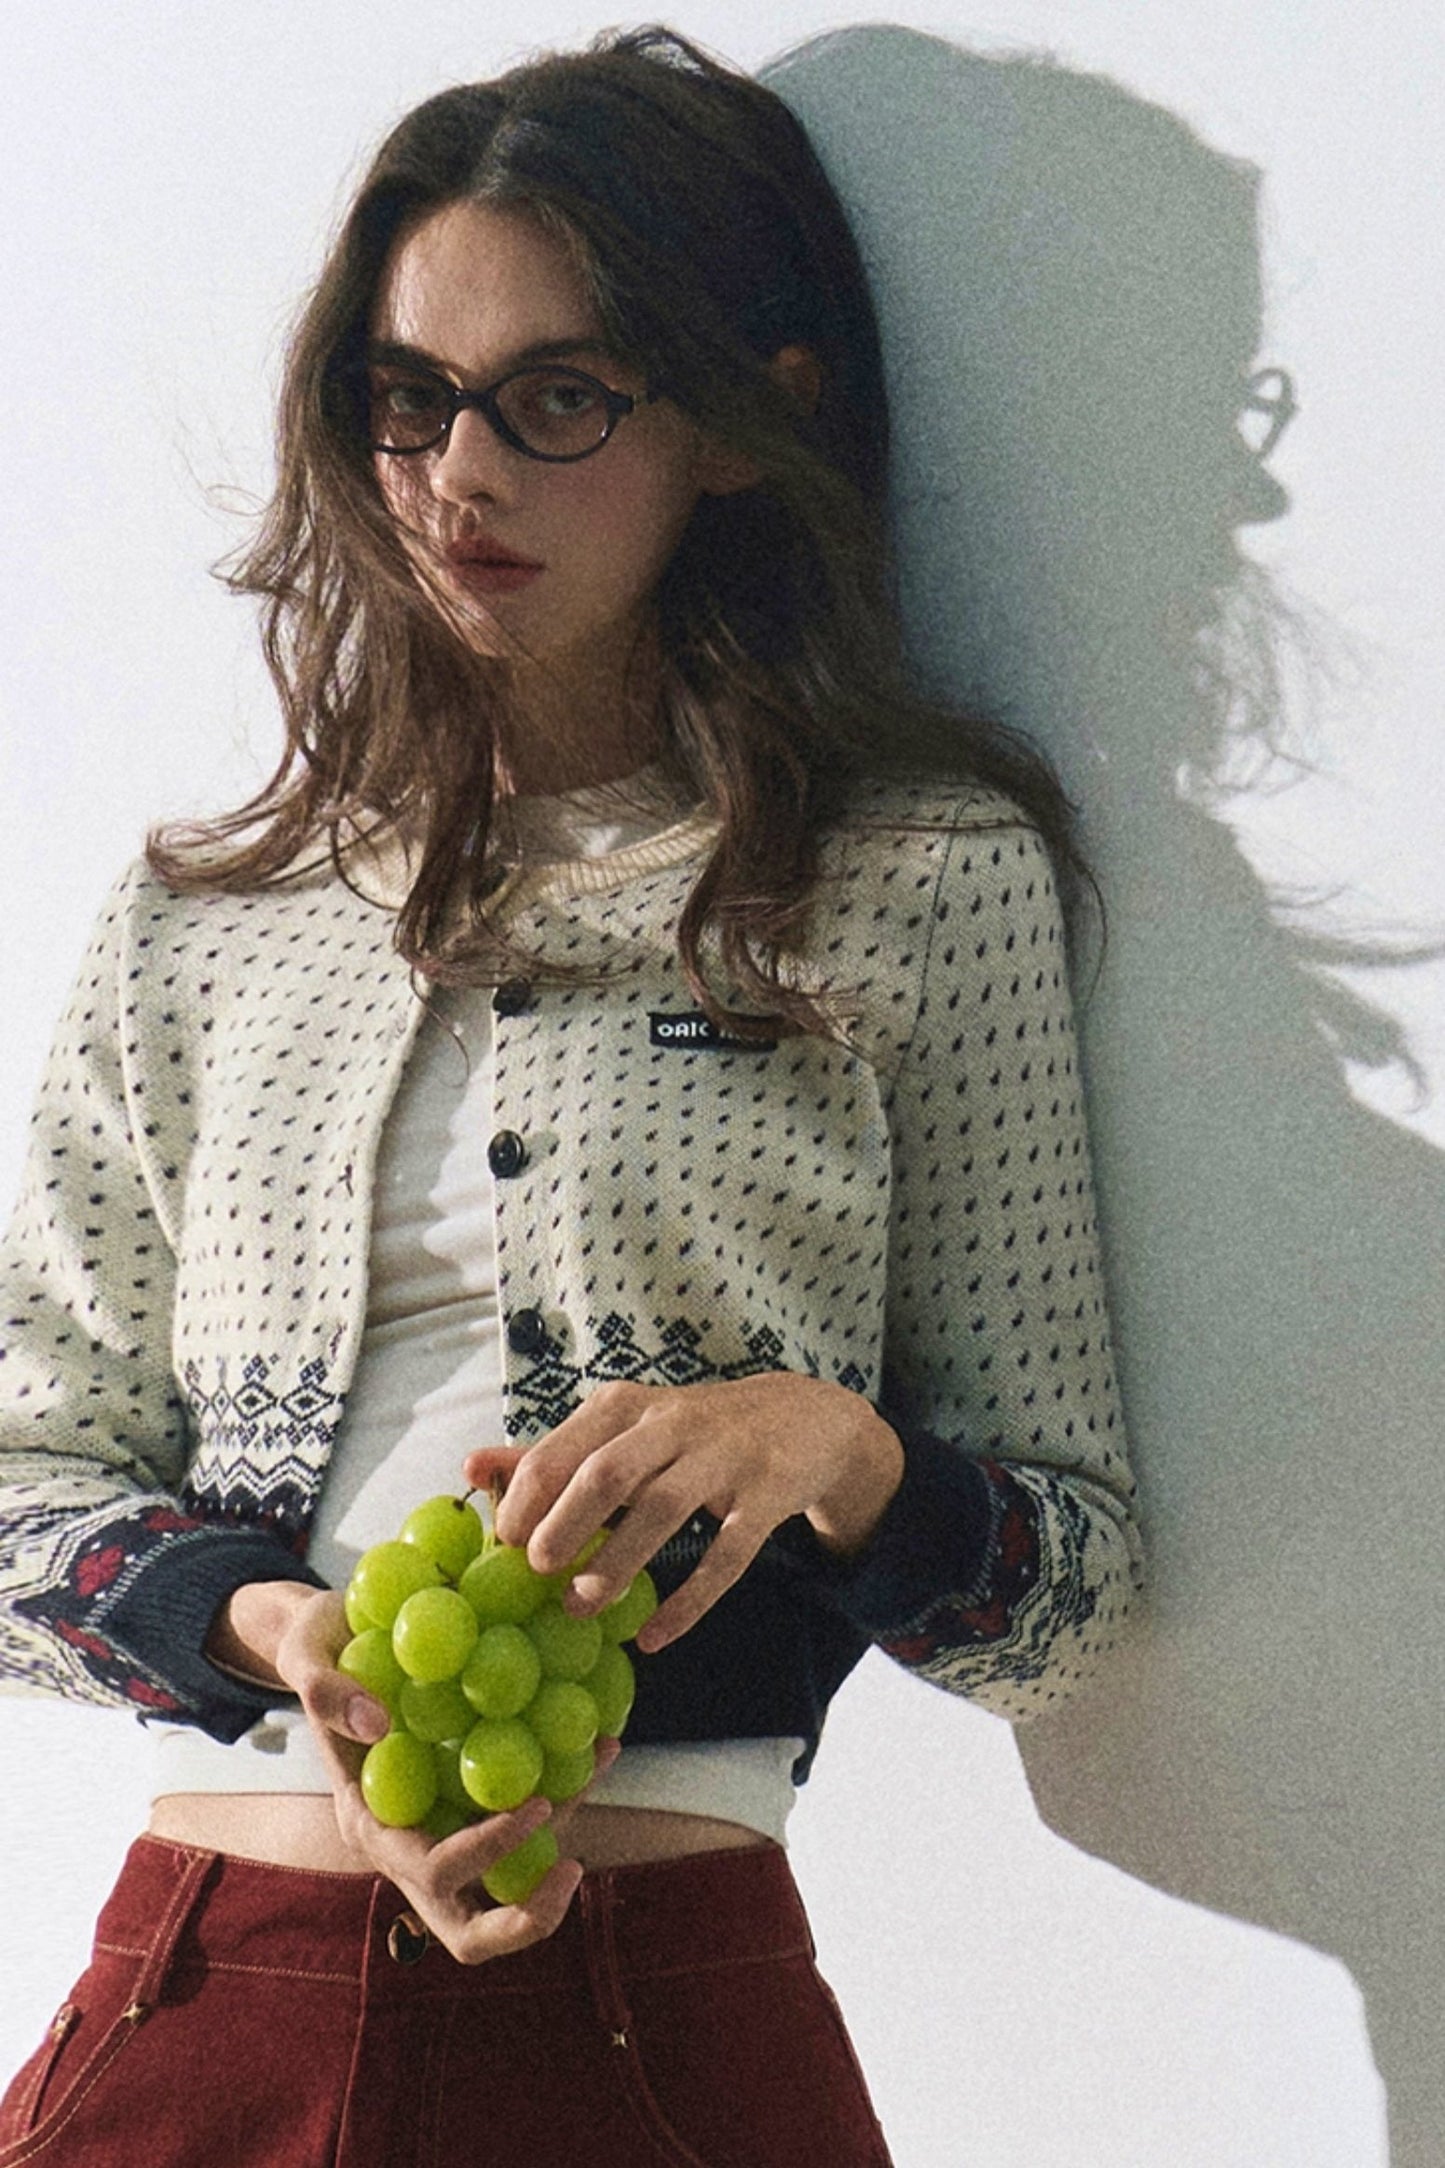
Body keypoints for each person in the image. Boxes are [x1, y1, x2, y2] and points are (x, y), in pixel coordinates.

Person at [0, 27, 1141, 2166]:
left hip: (661, 2018)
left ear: (738, 419)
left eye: (555, 398)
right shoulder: (209, 912)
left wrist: (834, 1451)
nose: (459, 475)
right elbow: (19, 1478)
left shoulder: (915, 879)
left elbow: (1063, 1600)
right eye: (407, 396)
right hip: (204, 1995)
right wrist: (275, 1631)